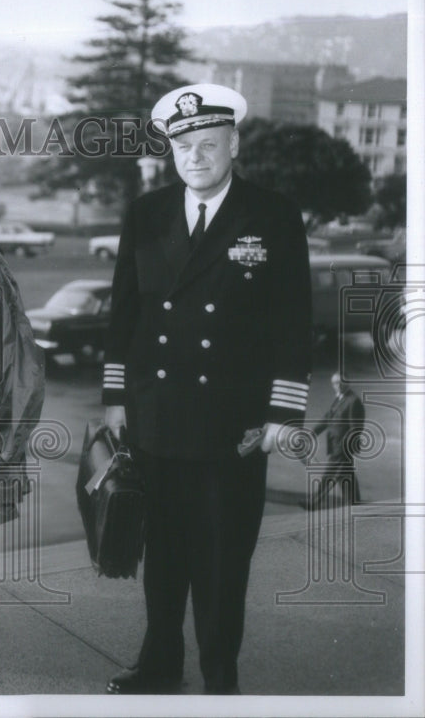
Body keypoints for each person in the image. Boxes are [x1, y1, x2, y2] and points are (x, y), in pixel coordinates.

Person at [101, 84, 313, 694]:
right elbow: (123, 315)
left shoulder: (271, 215)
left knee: (222, 564)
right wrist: (116, 397)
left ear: (234, 145)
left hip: (233, 424)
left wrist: (284, 411)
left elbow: (293, 320)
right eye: (184, 146)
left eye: (208, 144)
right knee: (162, 556)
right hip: (157, 416)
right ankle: (159, 663)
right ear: (172, 151)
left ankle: (222, 679)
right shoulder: (146, 214)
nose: (196, 156)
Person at [303, 372, 365, 508]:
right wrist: (312, 434)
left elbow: (356, 427)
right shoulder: (339, 399)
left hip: (343, 447)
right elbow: (327, 419)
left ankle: (313, 503)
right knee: (345, 476)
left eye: (341, 382)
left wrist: (346, 445)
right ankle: (355, 503)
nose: (338, 385)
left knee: (329, 475)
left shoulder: (353, 401)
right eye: (335, 383)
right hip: (335, 445)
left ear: (347, 383)